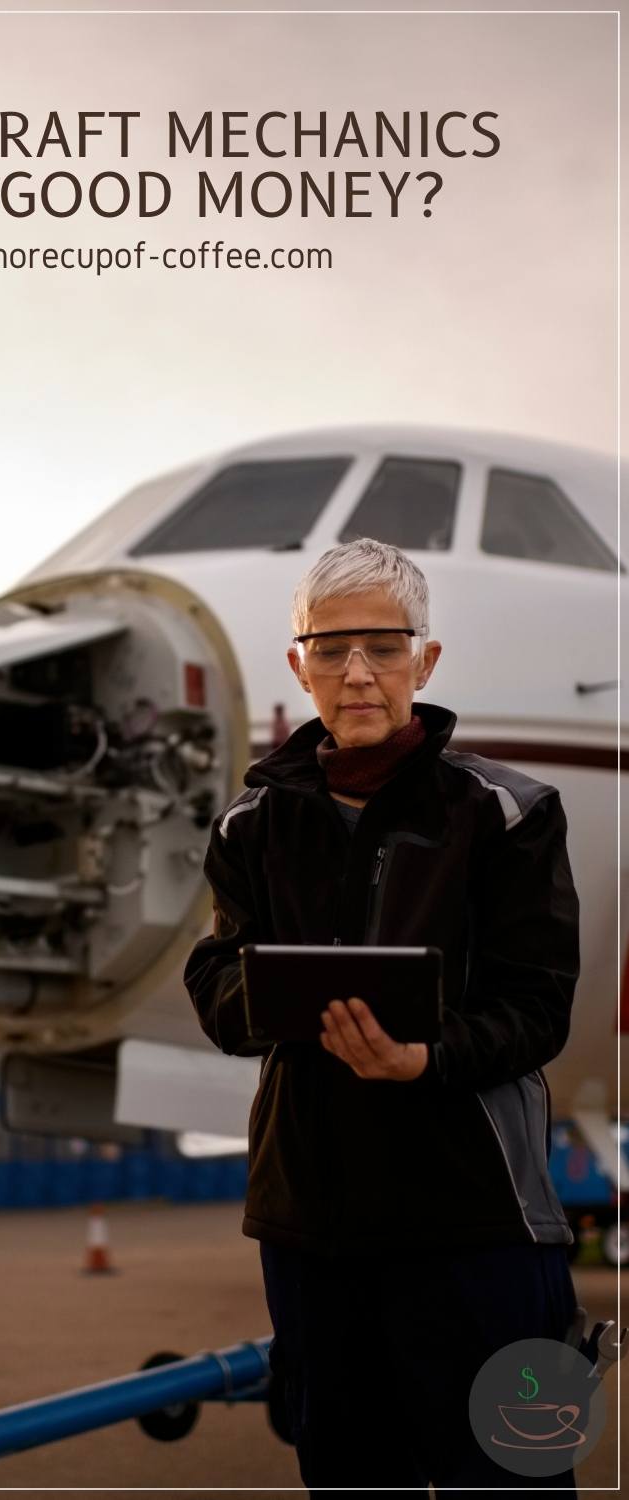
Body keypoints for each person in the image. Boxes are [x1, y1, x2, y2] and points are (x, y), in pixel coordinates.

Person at [183, 538, 581, 1496]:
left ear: (426, 660)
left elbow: (537, 1010)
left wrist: (425, 1058)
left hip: (480, 1222)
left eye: (383, 647)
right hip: (312, 1230)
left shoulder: (510, 812)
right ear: (298, 665)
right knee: (354, 1482)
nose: (356, 672)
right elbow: (217, 981)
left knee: (517, 1478)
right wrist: (275, 994)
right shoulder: (249, 824)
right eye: (329, 649)